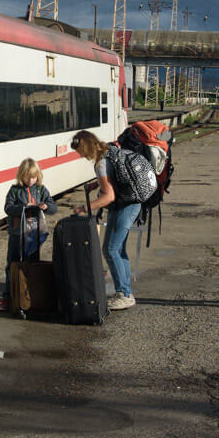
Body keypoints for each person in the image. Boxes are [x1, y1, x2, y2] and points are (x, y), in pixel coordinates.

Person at [70, 130, 141, 311]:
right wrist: (96, 184)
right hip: (128, 203)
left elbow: (108, 196)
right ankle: (125, 292)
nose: (80, 156)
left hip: (126, 205)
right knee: (116, 249)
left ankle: (124, 294)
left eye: (80, 151)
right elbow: (112, 180)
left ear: (85, 146)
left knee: (111, 249)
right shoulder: (108, 150)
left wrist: (85, 208)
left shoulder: (101, 163)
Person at [0, 158, 57, 312]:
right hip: (17, 234)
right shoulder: (15, 190)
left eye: (34, 177)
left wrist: (45, 206)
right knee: (12, 265)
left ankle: (31, 295)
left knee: (33, 264)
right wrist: (22, 208)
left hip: (33, 234)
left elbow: (53, 207)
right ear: (21, 176)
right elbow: (8, 208)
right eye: (28, 177)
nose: (31, 180)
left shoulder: (41, 190)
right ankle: (7, 297)